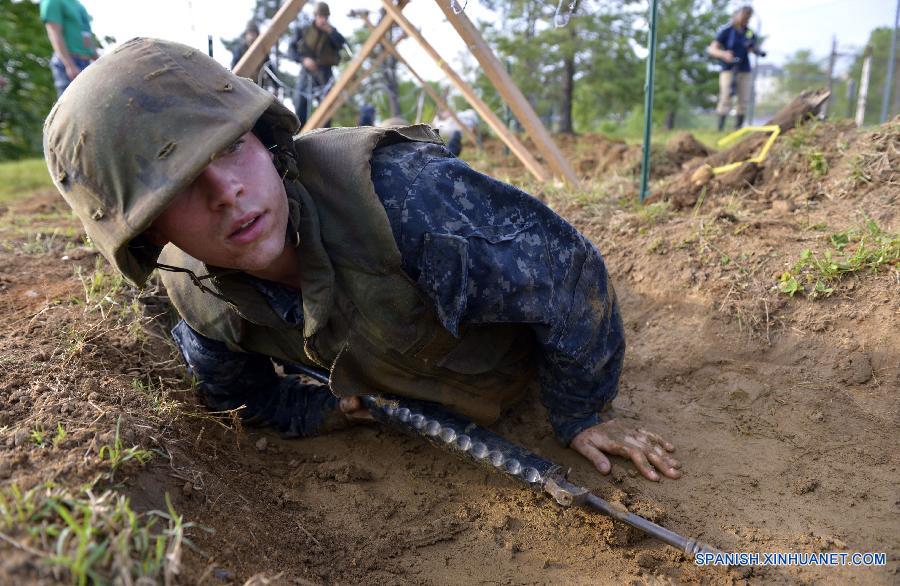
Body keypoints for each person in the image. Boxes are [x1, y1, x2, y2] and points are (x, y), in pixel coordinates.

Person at [43, 38, 682, 483]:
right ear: (149, 235)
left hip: (512, 362)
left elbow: (568, 276)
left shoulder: (406, 201)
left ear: (267, 141)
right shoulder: (197, 293)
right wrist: (318, 411)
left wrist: (581, 411)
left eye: (233, 147)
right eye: (180, 186)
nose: (227, 192)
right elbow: (230, 389)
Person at [707, 5, 765, 131]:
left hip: (744, 69)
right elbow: (712, 49)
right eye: (744, 16)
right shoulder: (726, 31)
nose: (745, 19)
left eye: (748, 17)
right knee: (726, 97)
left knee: (743, 100)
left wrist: (755, 49)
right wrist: (724, 54)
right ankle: (720, 129)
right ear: (737, 15)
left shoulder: (749, 33)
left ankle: (738, 129)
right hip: (728, 69)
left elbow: (752, 46)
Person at [288, 2, 346, 126]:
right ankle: (298, 138)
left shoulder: (332, 32)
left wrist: (330, 32)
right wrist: (303, 60)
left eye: (325, 16)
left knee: (326, 110)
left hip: (325, 74)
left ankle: (325, 139)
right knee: (299, 106)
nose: (323, 19)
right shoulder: (303, 30)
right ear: (315, 16)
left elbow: (342, 44)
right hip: (306, 73)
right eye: (320, 16)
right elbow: (291, 50)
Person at [40, 0, 97, 96]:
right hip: (70, 63)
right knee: (75, 108)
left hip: (87, 63)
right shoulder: (52, 2)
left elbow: (86, 34)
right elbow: (54, 34)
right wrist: (69, 65)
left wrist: (101, 60)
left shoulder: (77, 4)